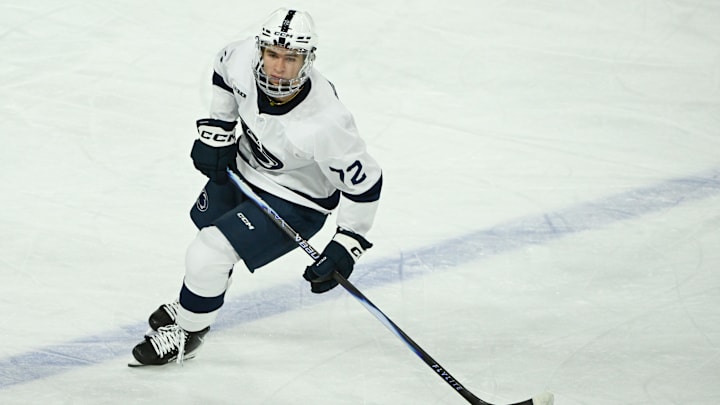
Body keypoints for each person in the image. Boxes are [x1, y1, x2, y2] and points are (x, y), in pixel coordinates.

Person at [130, 8, 383, 366]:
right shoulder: (242, 57)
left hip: (297, 199)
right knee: (207, 242)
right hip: (244, 168)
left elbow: (366, 183)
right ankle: (197, 300)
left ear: (308, 60)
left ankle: (189, 331)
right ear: (262, 50)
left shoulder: (327, 123)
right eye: (273, 55)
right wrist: (219, 129)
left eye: (291, 58)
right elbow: (222, 71)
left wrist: (348, 242)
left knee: (209, 252)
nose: (279, 67)